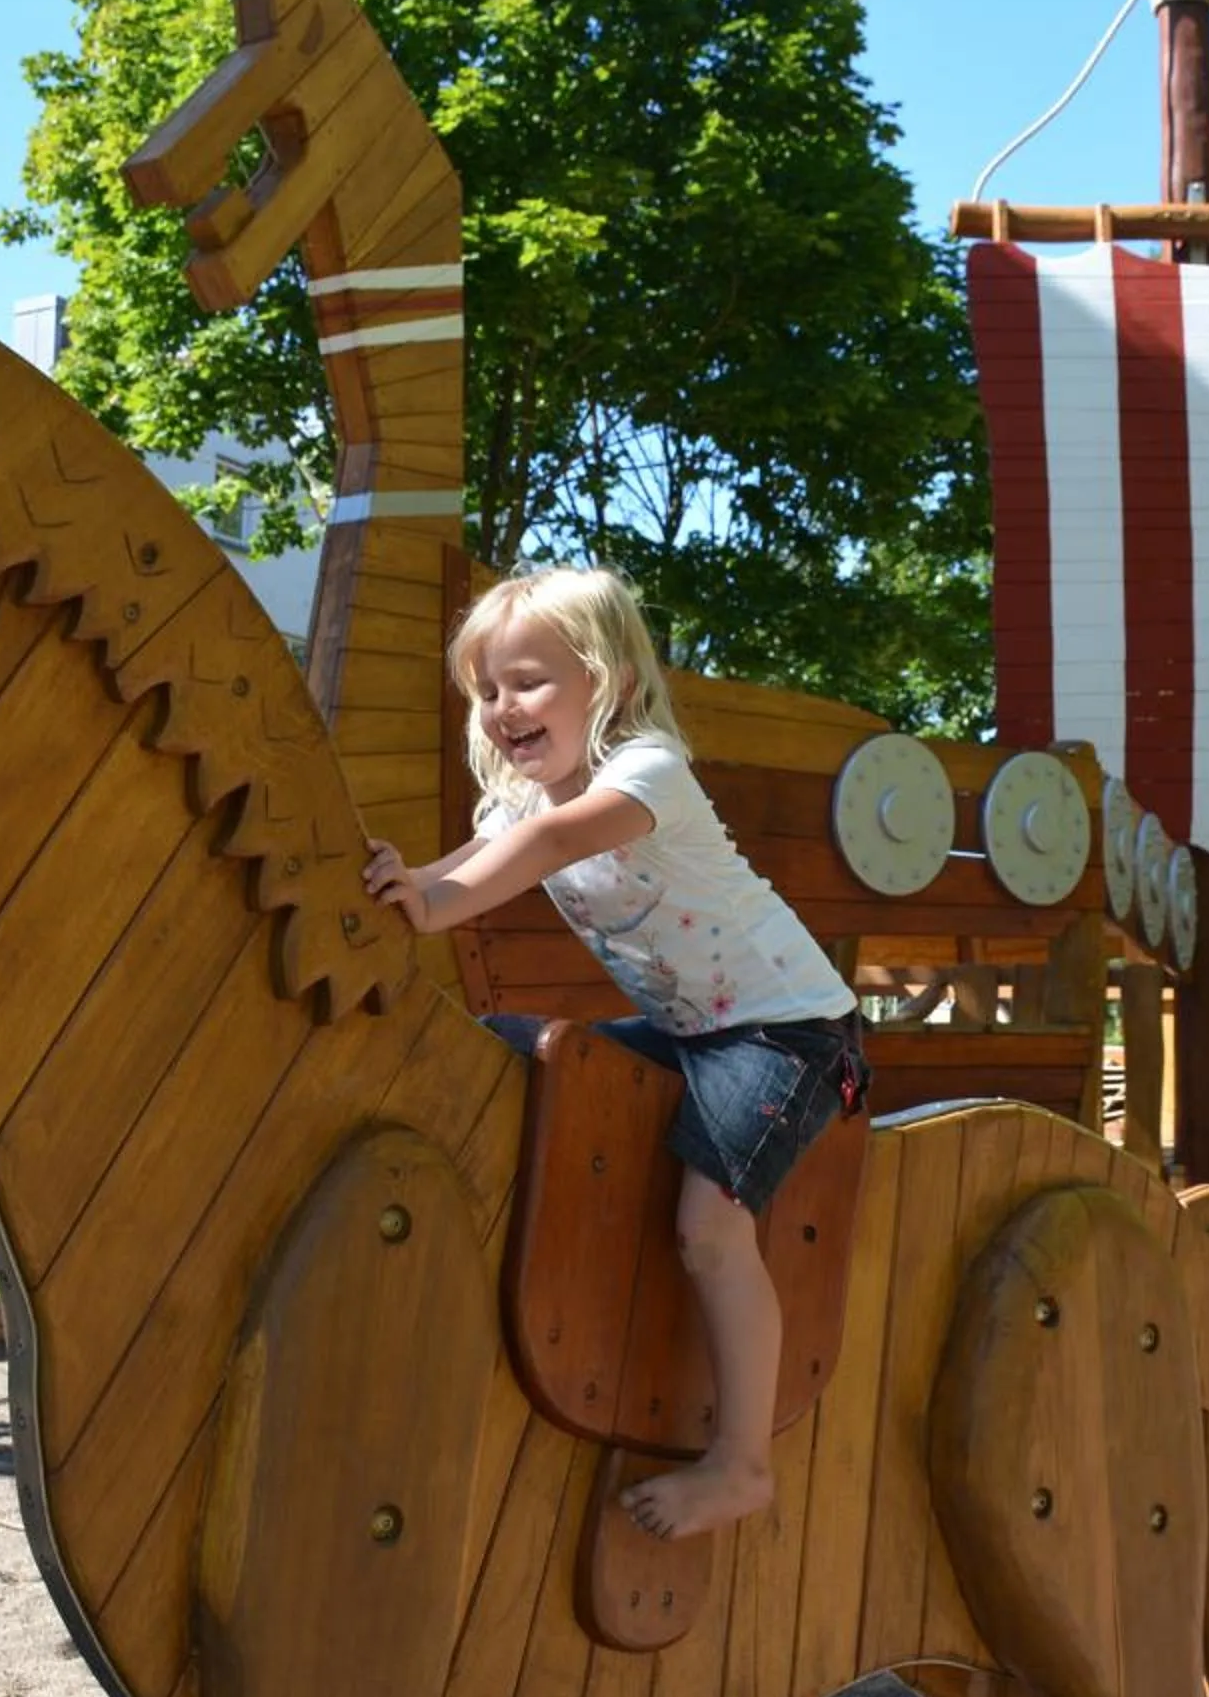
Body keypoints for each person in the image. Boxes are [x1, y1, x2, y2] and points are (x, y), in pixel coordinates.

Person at [364, 567, 866, 1541]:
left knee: (709, 1230)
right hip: (693, 1036)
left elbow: (545, 845)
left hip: (790, 1033)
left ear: (615, 681)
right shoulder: (522, 801)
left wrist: (426, 905)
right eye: (488, 689)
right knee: (530, 1066)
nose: (505, 707)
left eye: (530, 681)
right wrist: (401, 881)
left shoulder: (649, 772)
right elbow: (468, 862)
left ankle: (741, 1464)